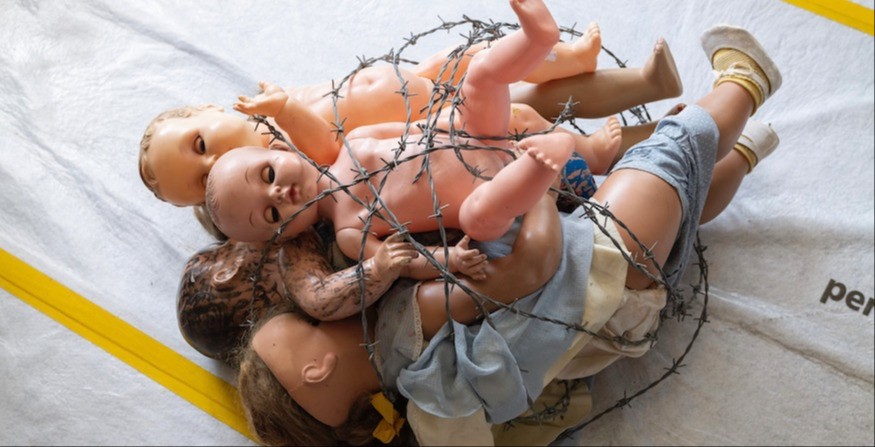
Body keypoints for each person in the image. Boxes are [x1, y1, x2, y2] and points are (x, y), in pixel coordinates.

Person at [231, 17, 783, 445]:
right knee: (666, 156)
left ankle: (745, 152)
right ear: (317, 368)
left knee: (683, 200)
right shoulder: (406, 321)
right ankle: (746, 84)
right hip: (601, 267)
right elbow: (530, 266)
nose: (314, 305)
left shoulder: (410, 380)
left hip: (611, 304)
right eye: (306, 319)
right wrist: (538, 181)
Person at [205, 0, 582, 282]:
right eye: (272, 215)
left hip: (470, 133)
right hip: (482, 189)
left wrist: (452, 119)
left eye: (268, 174)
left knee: (481, 76)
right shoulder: (349, 232)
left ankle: (536, 39)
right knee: (480, 220)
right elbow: (406, 260)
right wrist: (450, 259)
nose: (276, 194)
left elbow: (414, 127)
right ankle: (541, 163)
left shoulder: (353, 141)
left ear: (281, 150)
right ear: (287, 234)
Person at [137, 22, 685, 209]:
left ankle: (603, 69)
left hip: (417, 79)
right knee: (526, 108)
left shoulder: (265, 103)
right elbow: (335, 153)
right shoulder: (278, 165)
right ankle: (654, 135)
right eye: (205, 184)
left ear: (206, 109)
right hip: (435, 126)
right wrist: (283, 113)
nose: (216, 162)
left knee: (493, 60)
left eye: (200, 145)